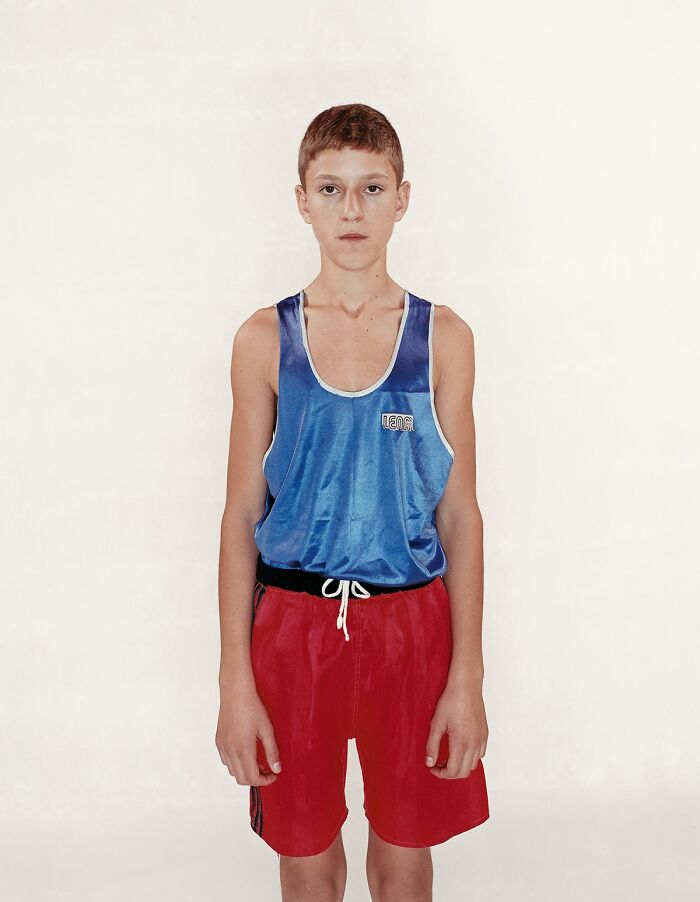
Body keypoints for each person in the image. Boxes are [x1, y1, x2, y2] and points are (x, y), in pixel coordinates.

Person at [216, 103, 489, 902]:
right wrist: (236, 679)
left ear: (403, 197)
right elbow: (239, 516)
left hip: (411, 625)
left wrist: (466, 674)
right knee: (305, 856)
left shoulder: (444, 338)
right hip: (294, 630)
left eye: (372, 188)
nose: (352, 210)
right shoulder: (264, 340)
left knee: (404, 854)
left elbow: (461, 516)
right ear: (301, 200)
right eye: (330, 190)